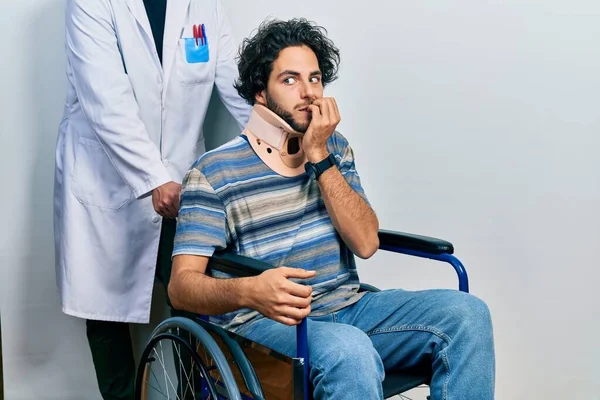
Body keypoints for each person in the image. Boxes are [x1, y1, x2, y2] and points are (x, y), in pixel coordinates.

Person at [167, 18, 495, 399]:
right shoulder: (213, 172)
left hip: (349, 309)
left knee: (468, 315)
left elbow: (366, 243)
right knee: (348, 350)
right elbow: (181, 287)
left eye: (315, 79)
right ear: (260, 92)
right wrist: (250, 291)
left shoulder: (333, 149)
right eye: (289, 80)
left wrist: (319, 156)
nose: (308, 93)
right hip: (264, 328)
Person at [53, 0, 251, 398]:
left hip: (181, 179)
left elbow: (237, 82)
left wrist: (286, 141)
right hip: (107, 178)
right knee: (105, 314)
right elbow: (106, 100)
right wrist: (154, 178)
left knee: (193, 300)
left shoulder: (203, 5)